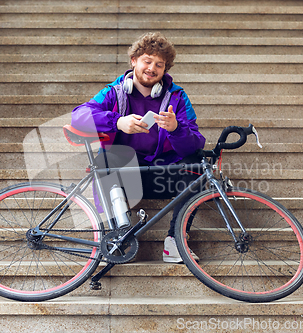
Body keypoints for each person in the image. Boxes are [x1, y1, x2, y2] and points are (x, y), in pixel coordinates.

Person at [71, 32, 206, 263]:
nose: (151, 68)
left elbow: (194, 143)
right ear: (134, 61)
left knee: (196, 167)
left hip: (160, 174)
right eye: (147, 61)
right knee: (105, 158)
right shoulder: (113, 92)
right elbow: (78, 117)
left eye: (159, 65)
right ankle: (118, 232)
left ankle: (175, 242)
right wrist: (117, 122)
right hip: (124, 177)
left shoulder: (177, 97)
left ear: (165, 70)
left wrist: (176, 129)